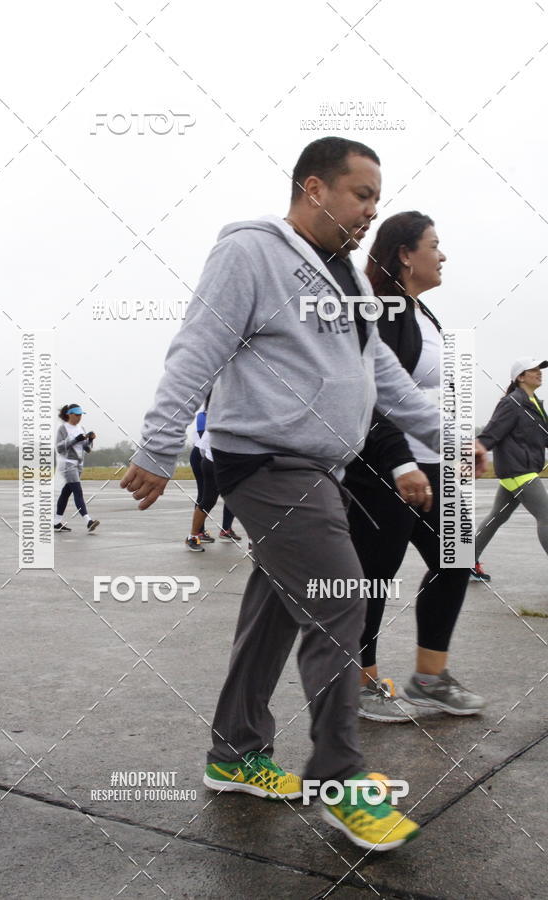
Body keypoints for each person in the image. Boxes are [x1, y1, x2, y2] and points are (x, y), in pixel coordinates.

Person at [122, 137, 451, 851]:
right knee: (340, 593)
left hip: (315, 466)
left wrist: (450, 432)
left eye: (376, 199)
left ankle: (235, 754)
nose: (371, 211)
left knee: (272, 617)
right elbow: (197, 346)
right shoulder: (252, 253)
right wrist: (158, 445)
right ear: (314, 189)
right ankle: (340, 776)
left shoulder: (348, 279)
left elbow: (380, 379)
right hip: (268, 461)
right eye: (361, 195)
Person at [343, 212, 485, 723]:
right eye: (434, 245)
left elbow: (426, 396)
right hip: (384, 466)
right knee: (375, 576)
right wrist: (401, 461)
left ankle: (430, 678)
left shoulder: (422, 313)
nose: (442, 255)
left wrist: (458, 444)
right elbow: (372, 394)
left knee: (456, 557)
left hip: (430, 462)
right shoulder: (381, 309)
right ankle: (360, 685)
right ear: (405, 253)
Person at [474, 358, 548, 576]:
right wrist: (475, 452)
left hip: (523, 469)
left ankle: (465, 562)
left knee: (498, 516)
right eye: (533, 370)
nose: (539, 373)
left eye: (539, 370)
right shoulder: (512, 403)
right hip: (518, 470)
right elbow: (492, 432)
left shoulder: (535, 403)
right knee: (546, 516)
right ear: (520, 377)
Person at [187, 406, 242, 550]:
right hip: (210, 460)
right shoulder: (211, 414)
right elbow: (202, 448)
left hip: (229, 461)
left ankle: (227, 530)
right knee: (207, 498)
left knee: (238, 498)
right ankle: (195, 535)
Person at [54, 404, 100, 533]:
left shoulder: (82, 428)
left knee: (66, 493)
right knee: (78, 492)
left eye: (81, 415)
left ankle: (56, 522)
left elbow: (87, 449)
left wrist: (90, 440)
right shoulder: (63, 428)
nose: (79, 417)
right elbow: (59, 448)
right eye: (77, 415)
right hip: (67, 464)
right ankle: (88, 521)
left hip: (79, 464)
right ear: (69, 414)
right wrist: (75, 440)